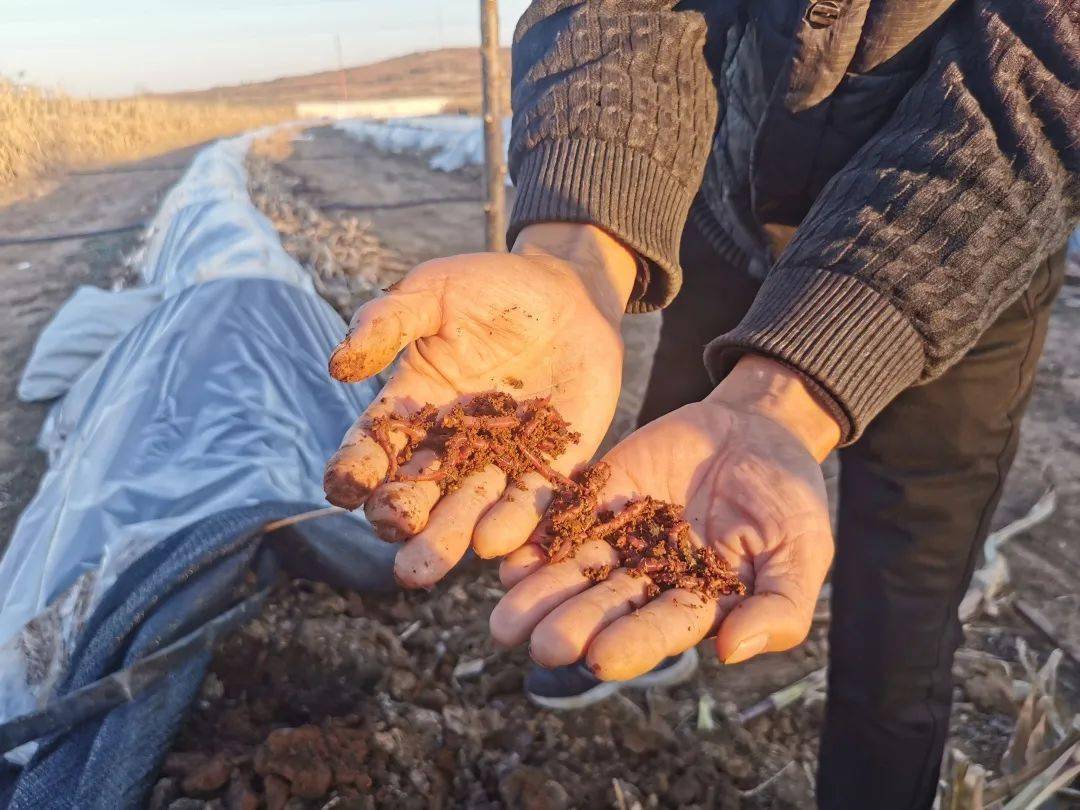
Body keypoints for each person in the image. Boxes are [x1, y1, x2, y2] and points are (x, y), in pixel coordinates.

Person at [323, 1, 1078, 806]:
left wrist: (792, 394)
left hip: (955, 260)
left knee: (903, 613)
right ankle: (630, 628)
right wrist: (577, 252)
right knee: (667, 460)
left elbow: (1044, 78)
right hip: (730, 207)